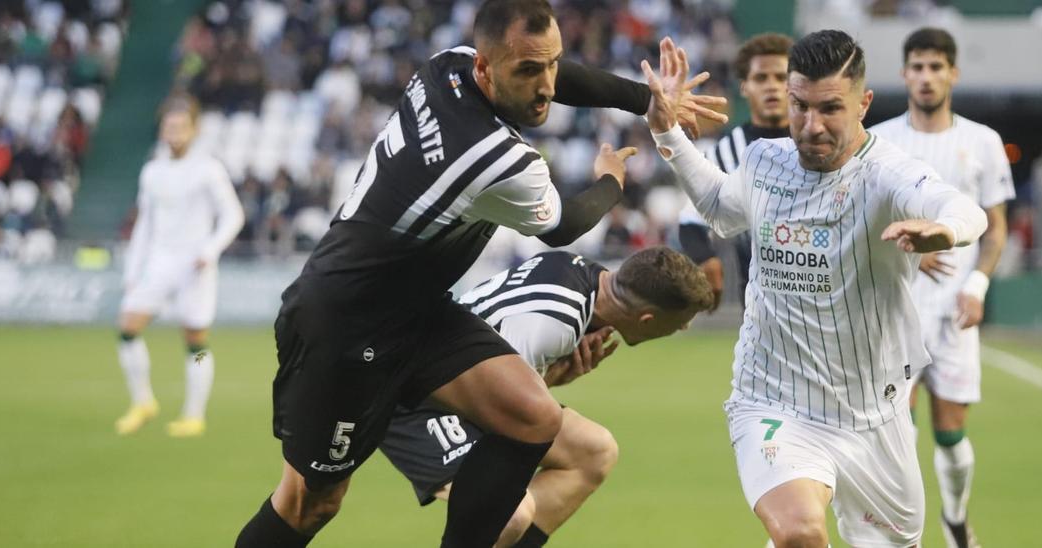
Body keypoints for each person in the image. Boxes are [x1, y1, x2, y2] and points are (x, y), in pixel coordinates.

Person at [234, 1, 726, 546]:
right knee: (311, 504)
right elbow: (563, 228)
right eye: (528, 71)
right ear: (487, 70)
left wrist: (648, 98)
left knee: (534, 417)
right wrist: (610, 179)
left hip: (416, 311)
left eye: (553, 64)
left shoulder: (449, 65)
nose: (546, 86)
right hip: (349, 324)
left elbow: (550, 79)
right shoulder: (498, 159)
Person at [643, 31, 987, 547]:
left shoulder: (887, 174)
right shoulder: (765, 161)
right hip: (773, 401)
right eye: (800, 106)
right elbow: (717, 205)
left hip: (875, 416)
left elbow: (964, 209)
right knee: (800, 532)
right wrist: (667, 132)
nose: (810, 125)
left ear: (863, 104)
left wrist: (946, 230)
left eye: (830, 109)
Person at [379, 247, 714, 548]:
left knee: (593, 451)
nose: (682, 330)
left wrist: (544, 380)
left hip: (462, 378)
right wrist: (546, 383)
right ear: (647, 319)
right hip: (418, 396)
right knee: (511, 515)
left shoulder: (578, 269)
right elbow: (503, 409)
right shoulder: (550, 326)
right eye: (680, 323)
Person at [870, 27, 1015, 548]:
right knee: (894, 431)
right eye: (917, 67)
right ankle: (900, 533)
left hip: (955, 310)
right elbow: (864, 224)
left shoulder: (982, 142)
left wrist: (976, 284)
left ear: (953, 73)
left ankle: (955, 520)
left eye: (936, 67)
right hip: (893, 310)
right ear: (904, 73)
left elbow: (996, 229)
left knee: (951, 433)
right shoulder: (880, 140)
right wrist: (909, 249)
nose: (927, 77)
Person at [114, 98, 244, 438]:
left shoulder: (208, 169)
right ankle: (142, 401)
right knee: (128, 327)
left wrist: (210, 249)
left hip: (194, 266)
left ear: (194, 129)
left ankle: (193, 413)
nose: (174, 134)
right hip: (158, 262)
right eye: (169, 127)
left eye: (180, 128)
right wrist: (132, 271)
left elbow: (233, 215)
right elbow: (144, 224)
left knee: (196, 342)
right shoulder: (152, 171)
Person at [678, 33, 793, 310]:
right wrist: (706, 258)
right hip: (758, 306)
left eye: (781, 77)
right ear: (744, 87)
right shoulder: (724, 152)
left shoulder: (820, 141)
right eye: (761, 78)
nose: (772, 87)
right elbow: (690, 222)